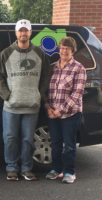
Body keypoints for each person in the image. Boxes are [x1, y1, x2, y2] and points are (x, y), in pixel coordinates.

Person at [0, 19, 51, 181]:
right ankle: (11, 168)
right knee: (10, 138)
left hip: (32, 105)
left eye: (26, 30)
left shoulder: (40, 53)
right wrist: (7, 95)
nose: (23, 33)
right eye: (20, 30)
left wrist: (38, 94)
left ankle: (27, 168)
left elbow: (46, 76)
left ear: (30, 32)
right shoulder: (6, 53)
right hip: (11, 106)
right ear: (16, 33)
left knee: (28, 139)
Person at [45, 37, 87, 184]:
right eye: (62, 47)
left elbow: (77, 93)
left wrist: (60, 110)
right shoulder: (52, 67)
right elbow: (45, 90)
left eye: (67, 48)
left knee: (69, 144)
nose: (63, 51)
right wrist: (48, 108)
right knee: (55, 143)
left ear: (72, 51)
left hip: (71, 114)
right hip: (52, 113)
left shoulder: (79, 68)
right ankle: (56, 169)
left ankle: (69, 172)